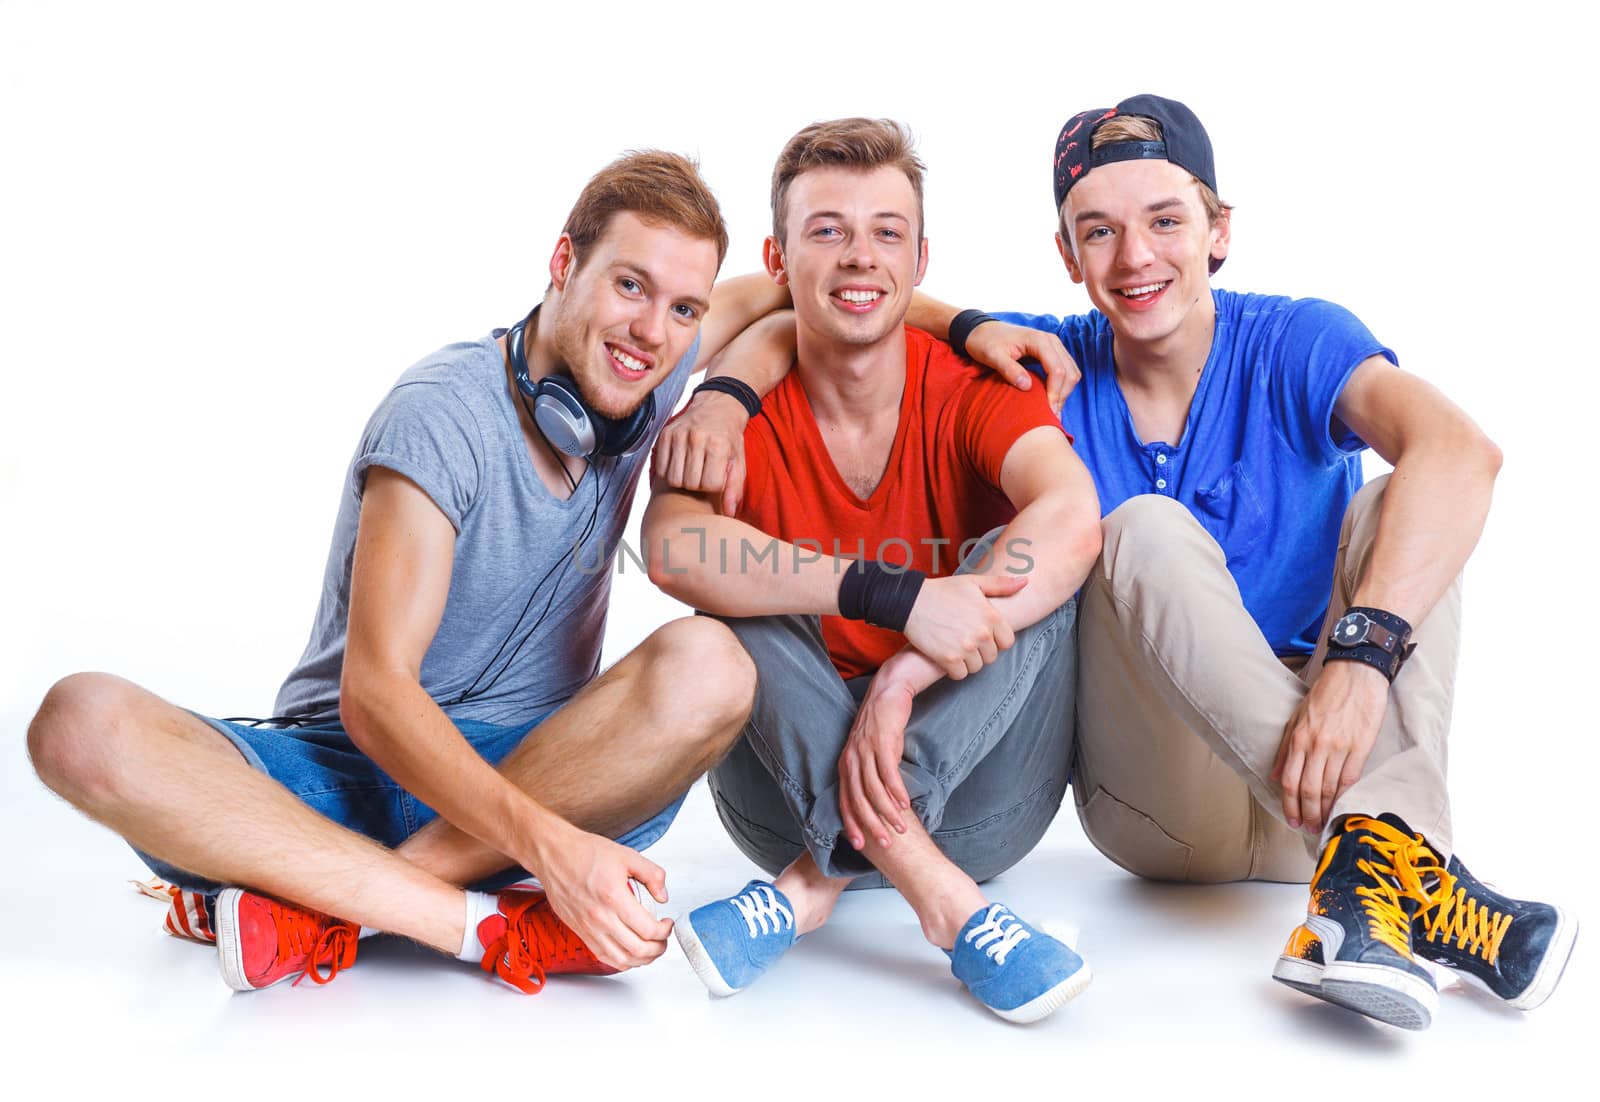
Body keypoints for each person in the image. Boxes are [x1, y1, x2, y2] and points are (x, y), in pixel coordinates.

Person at [26, 150, 788, 994]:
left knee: (713, 662)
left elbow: (800, 287)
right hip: (345, 775)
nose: (653, 330)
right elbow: (377, 696)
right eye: (630, 286)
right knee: (79, 721)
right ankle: (474, 925)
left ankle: (314, 906)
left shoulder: (648, 370)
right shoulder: (442, 415)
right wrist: (555, 852)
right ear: (563, 265)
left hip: (538, 771)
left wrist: (728, 394)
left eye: (684, 307)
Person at [899, 94, 1576, 1029]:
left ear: (1218, 230)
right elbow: (808, 292)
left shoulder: (1296, 339)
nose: (1135, 258)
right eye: (1098, 232)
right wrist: (963, 321)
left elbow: (1464, 453)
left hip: (1325, 765)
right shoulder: (1041, 362)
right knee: (1140, 525)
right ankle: (1406, 863)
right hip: (1161, 810)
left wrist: (1358, 660)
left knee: (1405, 498)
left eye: (1167, 221)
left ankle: (1359, 894)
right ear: (1067, 254)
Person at [643, 119, 1104, 1023]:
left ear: (921, 257)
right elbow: (669, 549)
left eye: (886, 232)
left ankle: (814, 888)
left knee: (1024, 569)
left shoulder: (974, 388)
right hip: (776, 796)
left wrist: (905, 672)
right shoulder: (729, 414)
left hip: (983, 802)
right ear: (777, 258)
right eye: (827, 231)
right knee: (728, 590)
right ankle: (945, 905)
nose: (860, 258)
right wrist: (891, 595)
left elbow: (1073, 515)